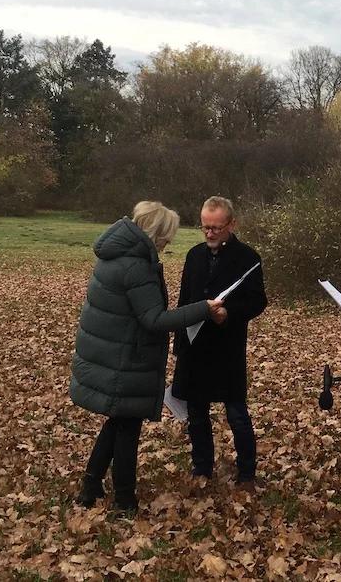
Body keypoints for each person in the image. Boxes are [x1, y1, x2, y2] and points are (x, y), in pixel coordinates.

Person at [70, 200, 225, 514]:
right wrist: (203, 310)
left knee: (118, 420)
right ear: (155, 233)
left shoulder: (117, 257)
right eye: (167, 235)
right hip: (126, 357)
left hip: (116, 352)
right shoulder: (136, 266)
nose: (169, 241)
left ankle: (90, 486)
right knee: (127, 428)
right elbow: (153, 319)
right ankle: (124, 501)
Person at [172, 196, 268, 487]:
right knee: (197, 413)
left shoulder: (248, 258)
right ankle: (202, 469)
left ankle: (247, 473)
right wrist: (179, 345)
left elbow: (258, 302)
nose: (210, 233)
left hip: (227, 350)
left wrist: (229, 314)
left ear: (231, 224)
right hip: (195, 348)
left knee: (236, 413)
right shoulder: (194, 255)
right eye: (205, 228)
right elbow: (184, 300)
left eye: (216, 228)